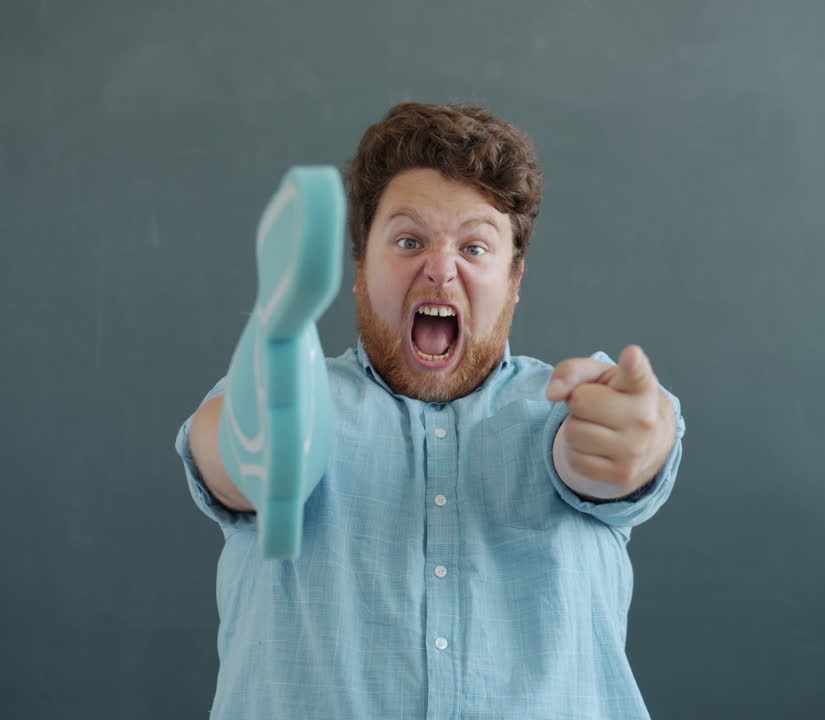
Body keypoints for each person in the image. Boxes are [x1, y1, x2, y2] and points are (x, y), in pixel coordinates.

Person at [176, 101, 686, 719]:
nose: (440, 270)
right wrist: (261, 443)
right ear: (361, 269)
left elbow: (600, 465)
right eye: (409, 240)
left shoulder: (564, 409)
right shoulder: (289, 388)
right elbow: (228, 453)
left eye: (474, 248)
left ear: (515, 278)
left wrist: (625, 445)